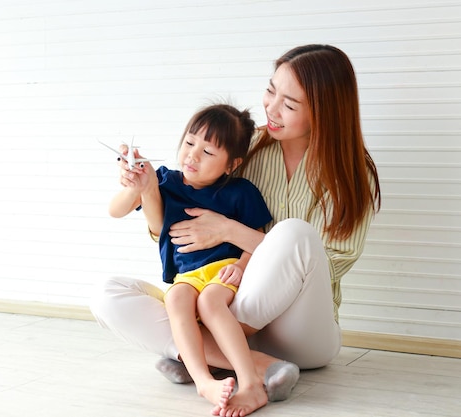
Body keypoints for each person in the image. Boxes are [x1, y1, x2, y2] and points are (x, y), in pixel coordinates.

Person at [91, 44, 381, 417]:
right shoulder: (243, 146)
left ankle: (204, 356)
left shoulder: (349, 172)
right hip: (225, 308)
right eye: (271, 90)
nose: (271, 109)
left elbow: (326, 266)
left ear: (324, 113)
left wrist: (228, 230)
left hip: (301, 333)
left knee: (294, 234)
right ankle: (255, 367)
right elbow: (175, 232)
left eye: (289, 105)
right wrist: (144, 189)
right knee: (108, 295)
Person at [107, 103, 273, 415]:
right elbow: (115, 211)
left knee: (210, 303)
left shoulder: (240, 191)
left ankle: (250, 382)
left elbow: (259, 241)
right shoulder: (165, 182)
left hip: (223, 270)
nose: (193, 155)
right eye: (190, 143)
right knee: (177, 300)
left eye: (208, 152)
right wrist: (136, 187)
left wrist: (240, 265)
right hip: (186, 276)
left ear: (231, 164)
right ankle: (203, 382)